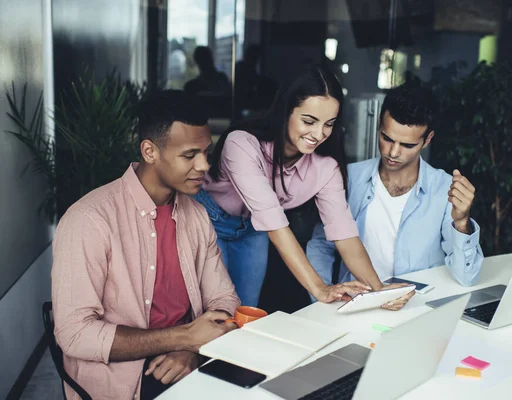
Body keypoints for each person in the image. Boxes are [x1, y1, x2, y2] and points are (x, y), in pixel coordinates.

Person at [51, 90, 240, 400]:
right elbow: (74, 334)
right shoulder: (89, 220)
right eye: (190, 155)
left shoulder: (196, 215)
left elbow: (224, 297)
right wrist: (185, 337)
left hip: (185, 360)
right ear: (150, 151)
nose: (205, 165)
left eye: (207, 152)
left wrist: (190, 348)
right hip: (121, 375)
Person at [195, 64, 414, 310]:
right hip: (209, 221)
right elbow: (274, 221)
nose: (319, 134)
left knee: (245, 311)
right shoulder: (242, 144)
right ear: (286, 111)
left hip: (254, 231)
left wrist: (379, 291)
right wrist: (320, 288)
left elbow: (344, 234)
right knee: (212, 312)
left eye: (329, 124)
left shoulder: (325, 167)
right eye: (309, 121)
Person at [307, 83, 484, 290]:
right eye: (387, 138)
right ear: (379, 125)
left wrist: (462, 222)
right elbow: (321, 245)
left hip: (419, 312)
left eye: (408, 145)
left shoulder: (444, 189)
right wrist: (324, 294)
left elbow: (466, 277)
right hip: (355, 307)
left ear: (428, 139)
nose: (393, 152)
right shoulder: (347, 178)